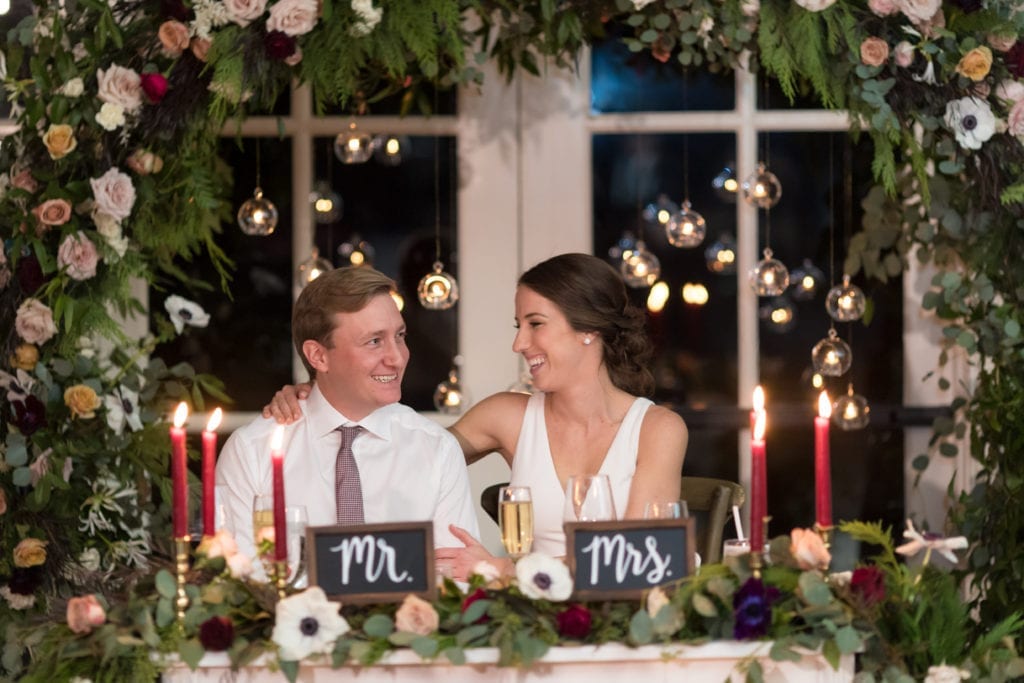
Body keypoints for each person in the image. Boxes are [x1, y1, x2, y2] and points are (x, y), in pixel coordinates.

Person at [264, 253, 688, 578]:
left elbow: (636, 556)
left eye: (535, 324)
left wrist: (502, 570)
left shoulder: (657, 430)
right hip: (531, 622)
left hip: (627, 625)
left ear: (588, 329)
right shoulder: (508, 415)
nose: (519, 343)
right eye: (517, 324)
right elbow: (403, 449)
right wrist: (323, 394)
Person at [218, 266, 478, 563]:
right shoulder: (252, 451)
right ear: (318, 356)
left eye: (400, 335)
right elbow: (237, 579)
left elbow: (455, 580)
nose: (397, 357)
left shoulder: (437, 449)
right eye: (374, 341)